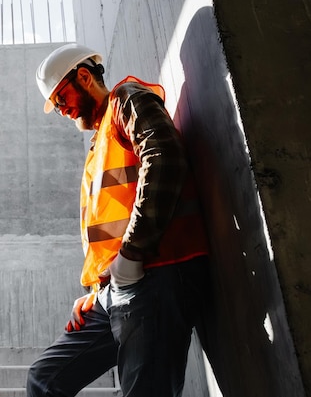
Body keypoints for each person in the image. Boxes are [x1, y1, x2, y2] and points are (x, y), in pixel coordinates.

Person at [27, 43, 211, 397]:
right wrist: (98, 289)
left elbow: (164, 158)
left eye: (61, 97)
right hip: (118, 287)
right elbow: (112, 222)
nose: (62, 109)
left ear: (84, 77)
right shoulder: (99, 146)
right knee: (44, 380)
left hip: (158, 274)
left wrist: (132, 254)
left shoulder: (126, 100)